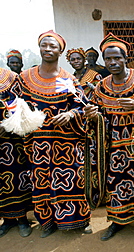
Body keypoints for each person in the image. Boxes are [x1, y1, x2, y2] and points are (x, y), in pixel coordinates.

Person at [19, 30, 91, 238]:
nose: (48, 49)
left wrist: (70, 114)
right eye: (45, 45)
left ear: (61, 51)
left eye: (53, 46)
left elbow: (82, 107)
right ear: (39, 48)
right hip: (38, 143)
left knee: (71, 180)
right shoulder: (25, 78)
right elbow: (15, 106)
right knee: (41, 180)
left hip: (66, 144)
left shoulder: (68, 80)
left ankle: (76, 220)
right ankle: (47, 222)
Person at [84, 32, 134, 241]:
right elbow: (97, 115)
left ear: (125, 58)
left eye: (117, 58)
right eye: (108, 59)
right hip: (113, 142)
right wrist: (92, 115)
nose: (113, 62)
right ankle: (117, 221)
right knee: (115, 181)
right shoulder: (101, 86)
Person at [0, 68, 32, 238]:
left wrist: (7, 125)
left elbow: (22, 105)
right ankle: (7, 220)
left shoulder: (11, 78)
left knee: (15, 178)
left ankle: (22, 219)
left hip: (11, 140)